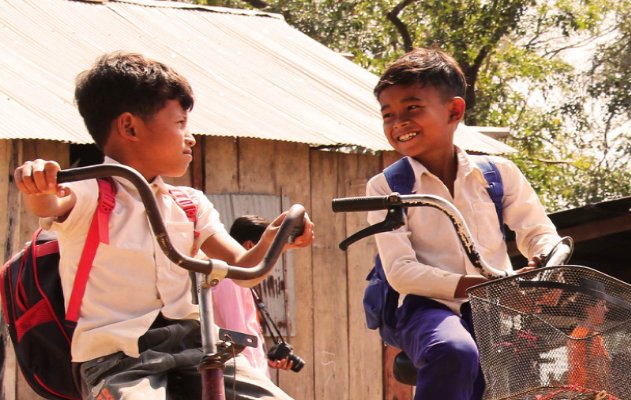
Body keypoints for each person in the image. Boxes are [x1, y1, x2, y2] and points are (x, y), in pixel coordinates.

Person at [13, 51, 313, 400]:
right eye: (180, 123)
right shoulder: (90, 192)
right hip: (118, 360)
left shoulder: (188, 203)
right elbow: (50, 203)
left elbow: (245, 270)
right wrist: (38, 184)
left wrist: (275, 239)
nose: (191, 137)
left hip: (195, 347)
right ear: (130, 127)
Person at [366, 47, 561, 400]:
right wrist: (480, 287)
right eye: (388, 114)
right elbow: (401, 271)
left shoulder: (497, 174)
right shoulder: (387, 187)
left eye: (412, 108)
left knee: (515, 383)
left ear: (454, 110)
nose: (399, 123)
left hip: (496, 310)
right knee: (454, 351)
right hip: (425, 308)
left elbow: (537, 231)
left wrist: (544, 261)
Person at [212, 215, 294, 378]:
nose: (273, 258)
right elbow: (238, 339)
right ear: (250, 245)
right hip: (245, 377)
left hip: (251, 374)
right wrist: (256, 379)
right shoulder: (230, 282)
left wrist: (268, 358)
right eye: (270, 249)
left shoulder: (240, 280)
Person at [567, 295, 611, 391]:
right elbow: (599, 372)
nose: (606, 310)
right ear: (589, 309)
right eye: (602, 305)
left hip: (578, 392)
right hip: (591, 393)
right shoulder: (592, 336)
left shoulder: (575, 333)